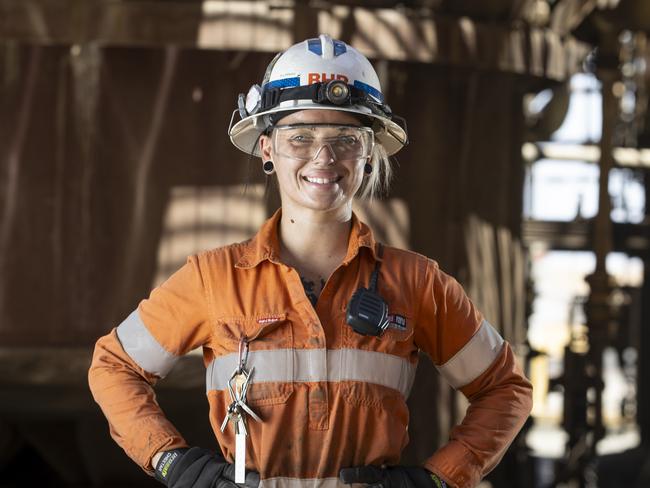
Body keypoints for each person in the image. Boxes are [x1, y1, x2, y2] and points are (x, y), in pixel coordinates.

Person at [88, 34, 533, 488]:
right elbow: (114, 367)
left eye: (346, 138)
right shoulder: (213, 279)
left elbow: (505, 390)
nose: (324, 158)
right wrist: (173, 464)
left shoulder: (418, 283)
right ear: (267, 148)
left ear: (369, 152)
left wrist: (440, 479)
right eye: (300, 137)